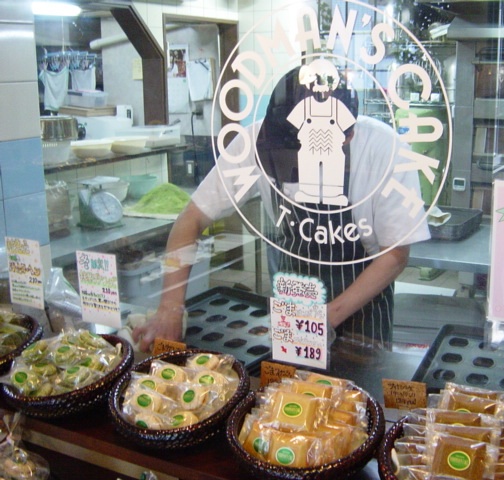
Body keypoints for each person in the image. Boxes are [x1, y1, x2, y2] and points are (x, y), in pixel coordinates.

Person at [133, 64, 430, 352]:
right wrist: (170, 306)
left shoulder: (384, 150)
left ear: (347, 135)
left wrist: (326, 317)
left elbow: (395, 254)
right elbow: (191, 219)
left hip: (363, 310)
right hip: (295, 299)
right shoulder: (254, 142)